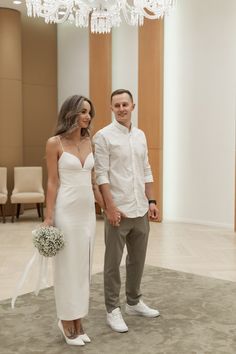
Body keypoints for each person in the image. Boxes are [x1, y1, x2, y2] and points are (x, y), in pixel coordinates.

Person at [93, 89, 160, 333]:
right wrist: (109, 208)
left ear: (133, 106)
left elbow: (146, 169)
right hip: (117, 210)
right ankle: (112, 309)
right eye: (117, 105)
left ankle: (133, 302)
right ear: (111, 108)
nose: (121, 108)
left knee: (137, 260)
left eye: (125, 104)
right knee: (112, 263)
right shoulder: (103, 136)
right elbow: (101, 175)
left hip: (140, 208)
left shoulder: (140, 135)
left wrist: (151, 201)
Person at [44, 95, 104, 346]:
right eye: (82, 111)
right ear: (70, 113)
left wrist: (107, 207)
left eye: (89, 112)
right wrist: (48, 217)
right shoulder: (54, 143)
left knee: (82, 268)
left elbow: (93, 182)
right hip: (66, 212)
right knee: (67, 268)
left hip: (87, 214)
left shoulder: (91, 142)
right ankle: (65, 320)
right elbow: (52, 182)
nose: (87, 116)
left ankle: (78, 320)